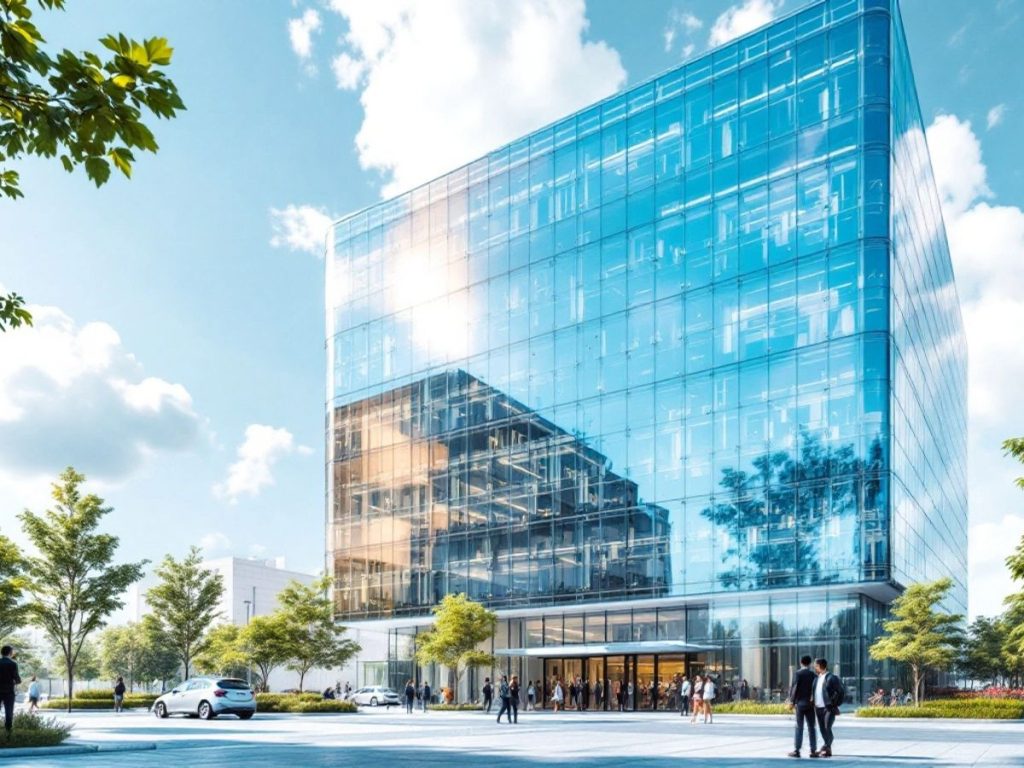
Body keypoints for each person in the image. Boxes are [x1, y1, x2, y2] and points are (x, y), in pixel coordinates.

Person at [787, 655, 819, 758]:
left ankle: (797, 750)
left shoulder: (798, 674)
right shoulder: (813, 675)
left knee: (799, 727)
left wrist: (791, 701)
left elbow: (794, 688)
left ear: (801, 662)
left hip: (800, 704)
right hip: (810, 704)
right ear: (810, 664)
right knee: (811, 728)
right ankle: (813, 750)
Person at [814, 658, 845, 759]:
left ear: (820, 666)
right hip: (818, 707)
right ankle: (827, 748)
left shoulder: (831, 677)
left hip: (828, 708)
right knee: (822, 728)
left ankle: (826, 746)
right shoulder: (817, 678)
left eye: (816, 665)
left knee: (827, 727)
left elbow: (840, 692)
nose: (815, 667)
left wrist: (834, 704)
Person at [0, 646, 20, 735]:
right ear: (10, 653)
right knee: (9, 712)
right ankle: (8, 733)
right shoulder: (12, 664)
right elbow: (17, 680)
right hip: (9, 692)